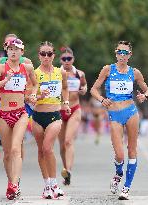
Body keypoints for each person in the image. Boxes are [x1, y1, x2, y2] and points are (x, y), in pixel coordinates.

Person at [90, 41, 148, 200]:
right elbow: (93, 89)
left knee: (132, 150)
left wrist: (144, 96)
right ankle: (118, 173)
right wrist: (102, 100)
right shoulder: (108, 69)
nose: (122, 55)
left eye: (125, 53)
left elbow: (147, 91)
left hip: (131, 112)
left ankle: (127, 187)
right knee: (119, 155)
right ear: (116, 53)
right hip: (114, 115)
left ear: (130, 55)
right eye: (120, 52)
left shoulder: (135, 73)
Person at [0, 38, 38, 200]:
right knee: (8, 153)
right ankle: (11, 182)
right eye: (10, 49)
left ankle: (14, 185)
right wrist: (6, 79)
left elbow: (35, 84)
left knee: (16, 148)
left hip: (20, 112)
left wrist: (32, 94)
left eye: (16, 49)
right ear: (7, 51)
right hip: (3, 113)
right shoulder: (1, 67)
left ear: (22, 52)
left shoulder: (28, 67)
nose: (13, 51)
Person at [32, 41, 70, 199]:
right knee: (41, 151)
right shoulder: (34, 73)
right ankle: (47, 185)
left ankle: (55, 184)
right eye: (43, 53)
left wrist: (66, 103)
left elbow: (66, 88)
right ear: (39, 55)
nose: (46, 56)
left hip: (54, 115)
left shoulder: (60, 72)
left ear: (54, 56)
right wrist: (38, 96)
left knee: (48, 148)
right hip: (37, 116)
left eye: (49, 53)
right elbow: (28, 95)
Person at [58, 47, 87, 186]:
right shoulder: (56, 73)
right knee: (62, 145)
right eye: (64, 59)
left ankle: (68, 170)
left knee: (69, 141)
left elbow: (85, 87)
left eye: (69, 58)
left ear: (73, 60)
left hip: (75, 109)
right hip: (59, 110)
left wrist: (83, 90)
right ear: (60, 60)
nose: (67, 61)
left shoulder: (79, 74)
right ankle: (66, 171)